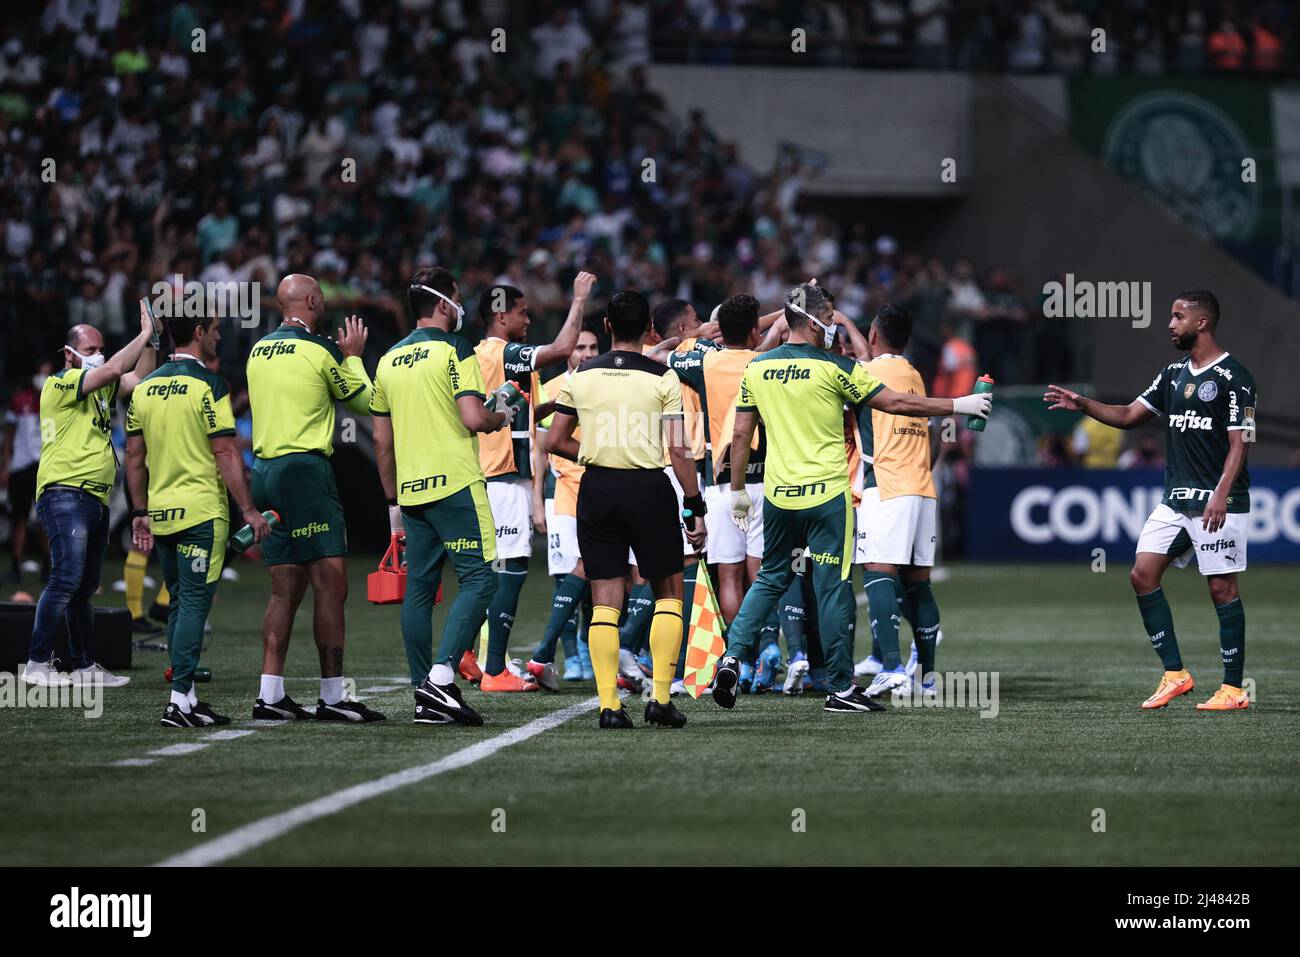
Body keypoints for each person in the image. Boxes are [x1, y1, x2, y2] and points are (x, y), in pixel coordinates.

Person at [713, 282, 993, 714]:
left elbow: (740, 434)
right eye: (827, 318)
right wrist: (960, 405)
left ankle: (732, 658)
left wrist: (736, 493)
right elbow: (898, 403)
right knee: (833, 590)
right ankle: (841, 687)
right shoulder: (836, 367)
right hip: (827, 498)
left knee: (770, 580)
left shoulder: (757, 368)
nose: (831, 325)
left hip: (779, 497)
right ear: (810, 321)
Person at [1044, 290, 1255, 711]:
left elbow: (1241, 442)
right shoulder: (1172, 374)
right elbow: (1126, 416)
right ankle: (1176, 675)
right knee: (1142, 575)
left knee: (1221, 588)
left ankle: (1234, 689)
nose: (1170, 324)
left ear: (1202, 323)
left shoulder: (1236, 378)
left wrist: (1221, 493)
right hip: (1175, 501)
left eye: (1177, 317)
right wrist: (1082, 403)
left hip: (1217, 502)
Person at [544, 290, 708, 729]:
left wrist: (599, 451)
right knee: (668, 593)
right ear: (648, 329)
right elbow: (678, 450)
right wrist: (695, 506)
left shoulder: (580, 375)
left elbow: (554, 440)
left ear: (608, 327)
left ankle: (608, 707)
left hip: (597, 489)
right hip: (649, 489)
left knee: (604, 601)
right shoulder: (663, 377)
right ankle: (658, 701)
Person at [371, 267, 510, 727]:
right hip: (455, 483)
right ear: (444, 302)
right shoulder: (455, 348)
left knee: (420, 589)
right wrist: (501, 416)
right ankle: (441, 678)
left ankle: (423, 693)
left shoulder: (388, 360)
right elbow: (473, 417)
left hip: (411, 491)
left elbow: (381, 442)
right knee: (481, 579)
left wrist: (393, 500)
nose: (461, 305)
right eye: (457, 297)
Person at [245, 274, 384, 722]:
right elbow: (364, 402)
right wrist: (355, 359)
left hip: (264, 472)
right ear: (309, 301)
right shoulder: (321, 349)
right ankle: (333, 696)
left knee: (285, 588)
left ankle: (270, 694)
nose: (323, 302)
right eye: (320, 297)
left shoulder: (258, 350)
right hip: (305, 472)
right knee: (332, 585)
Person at [126, 315, 271, 726]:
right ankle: (177, 702)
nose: (220, 336)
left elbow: (134, 458)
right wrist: (248, 509)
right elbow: (225, 452)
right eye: (214, 330)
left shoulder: (145, 386)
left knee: (177, 604)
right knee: (192, 604)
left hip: (163, 512)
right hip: (202, 513)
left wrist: (140, 512)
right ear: (199, 333)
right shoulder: (209, 384)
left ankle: (187, 698)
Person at [20, 305, 158, 689]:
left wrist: (153, 337)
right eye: (92, 347)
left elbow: (140, 375)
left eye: (101, 347)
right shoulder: (59, 383)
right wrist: (143, 334)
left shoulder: (97, 388)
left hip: (92, 497)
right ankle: (36, 663)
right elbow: (115, 370)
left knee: (83, 588)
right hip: (65, 491)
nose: (98, 353)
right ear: (70, 353)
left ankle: (83, 668)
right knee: (65, 579)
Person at [469, 273, 595, 692]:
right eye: (522, 312)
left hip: (489, 472)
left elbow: (511, 413)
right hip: (504, 475)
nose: (528, 319)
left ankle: (469, 656)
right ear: (501, 315)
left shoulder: (478, 354)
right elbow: (561, 349)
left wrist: (556, 404)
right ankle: (494, 672)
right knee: (512, 568)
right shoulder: (506, 353)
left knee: (488, 570)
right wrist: (578, 299)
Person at [845, 304, 945, 699]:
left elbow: (856, 373)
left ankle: (889, 667)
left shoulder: (865, 374)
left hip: (886, 486)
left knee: (877, 573)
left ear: (873, 335)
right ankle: (929, 678)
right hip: (923, 488)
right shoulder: (914, 375)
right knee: (919, 586)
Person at [526, 326, 602, 687]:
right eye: (580, 347)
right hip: (564, 494)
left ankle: (587, 647)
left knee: (596, 576)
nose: (586, 353)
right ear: (569, 352)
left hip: (599, 491)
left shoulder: (606, 382)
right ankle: (571, 656)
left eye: (593, 347)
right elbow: (541, 448)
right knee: (565, 578)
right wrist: (538, 500)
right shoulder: (552, 389)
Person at [2, 360, 52, 583]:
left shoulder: (54, 399)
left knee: (45, 520)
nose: (43, 377)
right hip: (21, 466)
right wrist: (5, 466)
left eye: (47, 373)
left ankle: (47, 566)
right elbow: (9, 437)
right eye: (41, 372)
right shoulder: (18, 400)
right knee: (19, 519)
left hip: (45, 466)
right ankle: (15, 565)